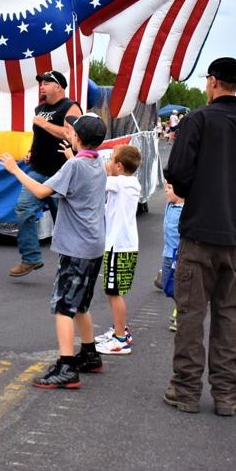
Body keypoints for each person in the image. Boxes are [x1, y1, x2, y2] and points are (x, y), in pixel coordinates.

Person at [163, 57, 236, 416]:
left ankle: (185, 391)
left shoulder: (197, 119)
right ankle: (226, 396)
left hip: (198, 232)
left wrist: (196, 189)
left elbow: (178, 171)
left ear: (213, 82)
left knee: (191, 315)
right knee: (230, 317)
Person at [0, 114, 108, 390]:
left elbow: (40, 191)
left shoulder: (73, 167)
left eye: (72, 130)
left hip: (76, 246)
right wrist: (72, 155)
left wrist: (15, 169)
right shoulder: (98, 163)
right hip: (94, 244)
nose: (69, 132)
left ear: (78, 138)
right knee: (80, 302)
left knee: (63, 307)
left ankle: (67, 366)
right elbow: (78, 167)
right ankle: (89, 353)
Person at [7, 70, 82, 278]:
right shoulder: (39, 108)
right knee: (23, 209)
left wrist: (44, 124)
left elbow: (71, 134)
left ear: (58, 86)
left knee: (65, 222)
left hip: (61, 174)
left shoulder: (70, 106)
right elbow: (39, 135)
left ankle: (72, 265)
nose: (41, 86)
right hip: (38, 171)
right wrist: (32, 150)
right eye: (40, 82)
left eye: (46, 82)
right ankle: (30, 258)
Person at [95, 144, 142, 356]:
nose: (108, 163)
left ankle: (120, 339)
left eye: (111, 159)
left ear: (119, 166)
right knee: (113, 290)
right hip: (123, 245)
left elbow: (96, 178)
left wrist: (73, 155)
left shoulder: (121, 183)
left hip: (119, 246)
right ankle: (119, 330)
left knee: (114, 292)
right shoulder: (128, 182)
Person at [156, 182, 184, 333]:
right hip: (167, 251)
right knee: (166, 286)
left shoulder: (185, 210)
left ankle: (182, 313)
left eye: (170, 189)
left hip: (177, 254)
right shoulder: (170, 205)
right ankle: (181, 307)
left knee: (175, 285)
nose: (166, 191)